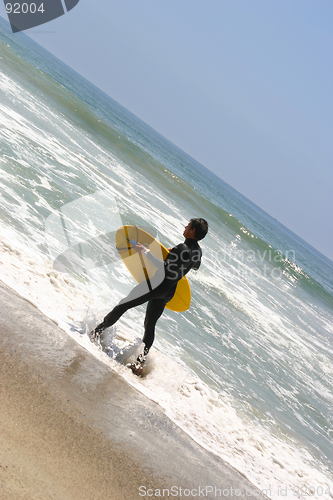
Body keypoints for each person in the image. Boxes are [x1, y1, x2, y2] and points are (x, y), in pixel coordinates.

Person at [89, 218, 208, 374]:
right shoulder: (197, 252)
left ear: (193, 230)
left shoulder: (182, 248)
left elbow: (164, 268)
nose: (185, 227)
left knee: (123, 305)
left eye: (188, 225)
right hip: (169, 291)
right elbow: (196, 266)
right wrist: (175, 256)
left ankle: (96, 333)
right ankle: (140, 364)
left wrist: (145, 252)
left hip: (156, 285)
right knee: (150, 324)